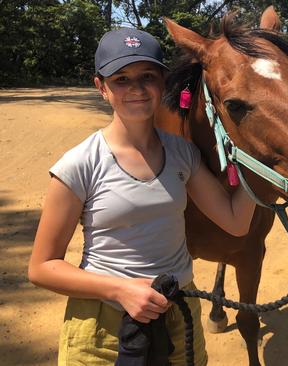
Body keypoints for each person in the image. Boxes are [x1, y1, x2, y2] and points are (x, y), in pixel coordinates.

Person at [27, 27, 256, 365]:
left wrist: (259, 161)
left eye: (147, 76)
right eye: (121, 79)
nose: (136, 88)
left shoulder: (182, 154)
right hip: (103, 327)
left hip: (179, 315)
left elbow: (235, 222)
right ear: (101, 87)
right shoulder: (80, 164)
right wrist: (120, 289)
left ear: (163, 83)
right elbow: (42, 267)